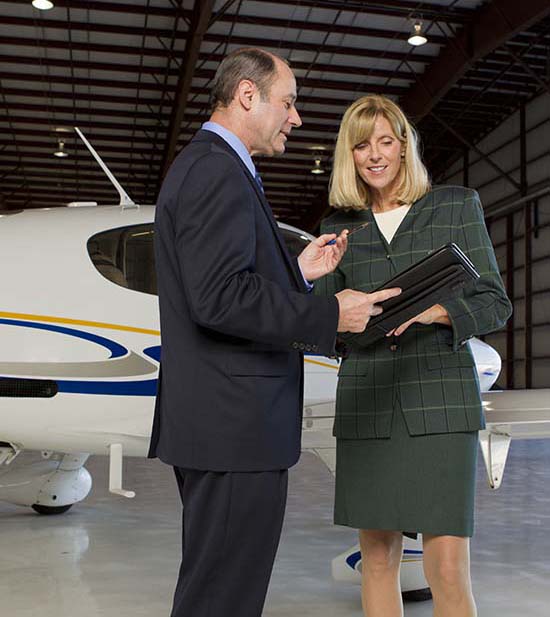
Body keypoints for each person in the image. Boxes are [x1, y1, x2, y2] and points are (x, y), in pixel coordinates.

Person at [148, 50, 401, 617]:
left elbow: (220, 283)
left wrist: (297, 272)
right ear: (246, 95)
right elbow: (220, 298)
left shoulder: (213, 166)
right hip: (234, 428)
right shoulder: (216, 169)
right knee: (223, 598)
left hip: (222, 425)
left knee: (217, 589)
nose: (297, 118)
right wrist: (330, 314)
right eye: (287, 102)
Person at [316, 94, 512, 617]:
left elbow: (495, 303)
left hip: (440, 404)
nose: (375, 155)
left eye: (386, 141)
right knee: (377, 561)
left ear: (405, 145)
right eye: (362, 146)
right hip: (368, 404)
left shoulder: (454, 205)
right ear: (349, 155)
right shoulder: (339, 227)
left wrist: (433, 312)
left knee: (446, 567)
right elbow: (319, 327)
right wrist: (319, 291)